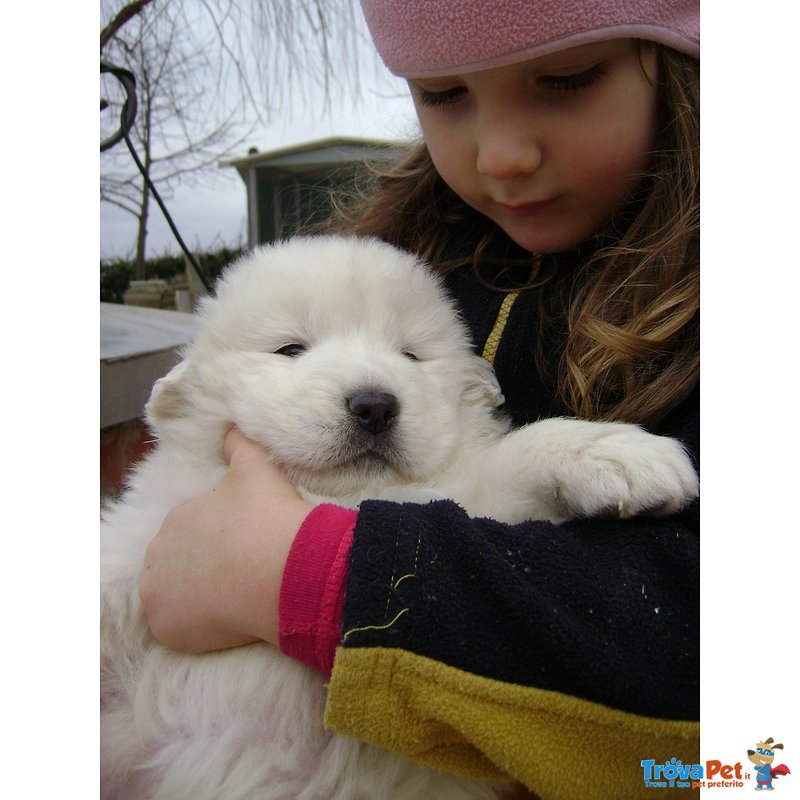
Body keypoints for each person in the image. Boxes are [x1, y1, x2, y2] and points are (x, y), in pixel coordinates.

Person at [138, 1, 700, 797]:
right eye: (443, 94)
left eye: (567, 78)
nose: (502, 155)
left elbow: (756, 758)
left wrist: (300, 575)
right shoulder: (409, 253)